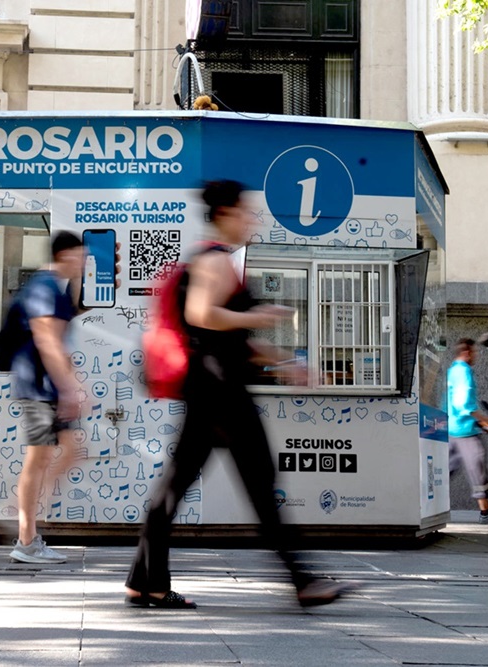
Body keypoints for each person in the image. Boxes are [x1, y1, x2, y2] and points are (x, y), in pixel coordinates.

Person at [124, 180, 354, 609]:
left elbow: (230, 339)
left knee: (175, 484)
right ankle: (303, 579)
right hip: (220, 388)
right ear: (227, 213)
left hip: (208, 382)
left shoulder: (215, 260)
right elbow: (202, 315)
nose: (254, 220)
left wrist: (286, 361)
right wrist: (263, 317)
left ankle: (145, 580)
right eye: (248, 212)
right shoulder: (215, 260)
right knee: (260, 483)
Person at [8, 231, 85, 564]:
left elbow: (61, 340)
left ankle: (31, 506)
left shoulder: (57, 289)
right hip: (39, 386)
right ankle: (26, 540)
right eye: (81, 255)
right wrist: (68, 388)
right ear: (66, 255)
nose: (84, 261)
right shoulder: (43, 287)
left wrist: (71, 383)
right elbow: (48, 341)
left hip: (50, 386)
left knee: (72, 451)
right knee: (38, 460)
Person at [447, 337, 488, 525]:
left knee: (444, 472)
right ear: (467, 353)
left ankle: (421, 504)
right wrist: (484, 419)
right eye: (475, 352)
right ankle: (486, 513)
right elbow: (463, 403)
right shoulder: (464, 371)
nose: (476, 356)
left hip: (452, 428)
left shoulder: (452, 370)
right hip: (466, 430)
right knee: (478, 470)